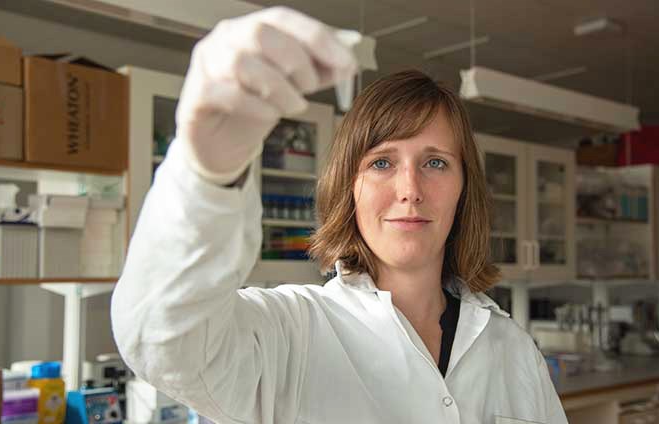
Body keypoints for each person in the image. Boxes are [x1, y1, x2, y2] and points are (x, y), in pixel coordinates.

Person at [111, 6, 567, 424]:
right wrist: (206, 176)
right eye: (381, 163)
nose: (410, 190)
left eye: (435, 163)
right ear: (348, 187)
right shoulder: (290, 332)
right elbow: (163, 342)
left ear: (464, 188)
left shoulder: (513, 351)